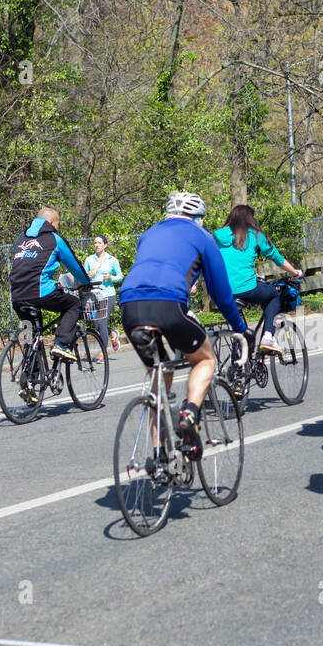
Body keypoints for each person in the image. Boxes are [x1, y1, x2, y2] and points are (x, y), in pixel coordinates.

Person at [117, 192, 249, 460]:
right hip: (167, 304)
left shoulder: (149, 233)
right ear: (198, 218)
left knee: (158, 373)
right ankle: (190, 413)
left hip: (129, 305)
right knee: (204, 360)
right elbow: (220, 293)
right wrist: (240, 326)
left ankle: (159, 456)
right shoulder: (202, 236)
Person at [213, 204, 302, 353]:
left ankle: (240, 361)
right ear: (250, 219)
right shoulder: (255, 235)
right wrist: (295, 272)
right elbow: (277, 258)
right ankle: (268, 336)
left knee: (241, 328)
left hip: (221, 291)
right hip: (245, 287)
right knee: (273, 295)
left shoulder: (217, 236)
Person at [9, 206, 92, 362]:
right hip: (41, 292)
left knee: (31, 336)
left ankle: (28, 378)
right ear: (52, 222)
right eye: (58, 224)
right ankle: (61, 344)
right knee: (73, 304)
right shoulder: (55, 239)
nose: (58, 227)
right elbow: (74, 265)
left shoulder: (20, 238)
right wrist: (86, 282)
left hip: (17, 296)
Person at [84, 234, 124, 358]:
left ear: (105, 245)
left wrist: (111, 277)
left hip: (108, 295)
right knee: (96, 324)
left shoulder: (112, 260)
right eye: (95, 243)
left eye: (99, 243)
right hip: (94, 295)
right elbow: (83, 276)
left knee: (102, 321)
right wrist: (89, 275)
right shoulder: (89, 260)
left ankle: (103, 353)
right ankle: (112, 334)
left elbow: (120, 276)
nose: (96, 245)